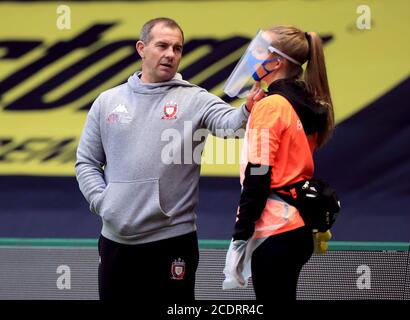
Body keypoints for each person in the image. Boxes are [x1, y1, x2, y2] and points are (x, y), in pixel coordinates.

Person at [75, 17, 263, 301]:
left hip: (172, 242)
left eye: (177, 48)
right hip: (115, 242)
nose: (170, 54)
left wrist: (248, 109)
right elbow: (86, 162)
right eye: (162, 45)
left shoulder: (195, 99)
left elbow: (233, 125)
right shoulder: (107, 102)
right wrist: (104, 204)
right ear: (141, 48)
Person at [223, 25, 335, 301]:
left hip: (275, 228)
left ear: (278, 61)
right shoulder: (304, 102)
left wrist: (240, 234)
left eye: (261, 50)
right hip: (298, 229)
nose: (253, 55)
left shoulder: (271, 106)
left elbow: (259, 172)